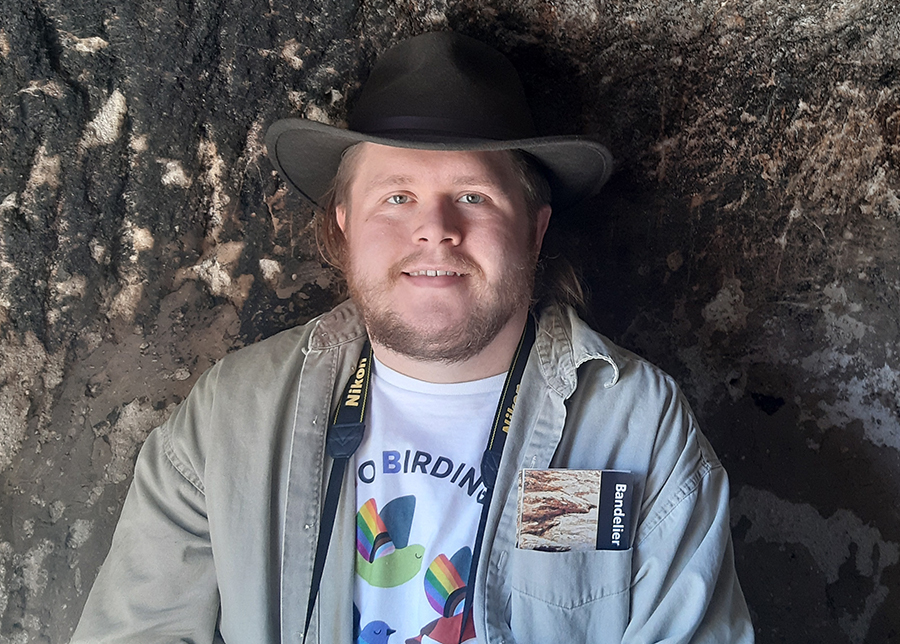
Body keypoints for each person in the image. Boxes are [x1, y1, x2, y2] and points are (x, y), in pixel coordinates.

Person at [73, 31, 753, 644]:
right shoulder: (233, 418)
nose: (435, 228)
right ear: (343, 224)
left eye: (474, 196)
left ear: (535, 228)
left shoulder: (633, 426)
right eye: (396, 196)